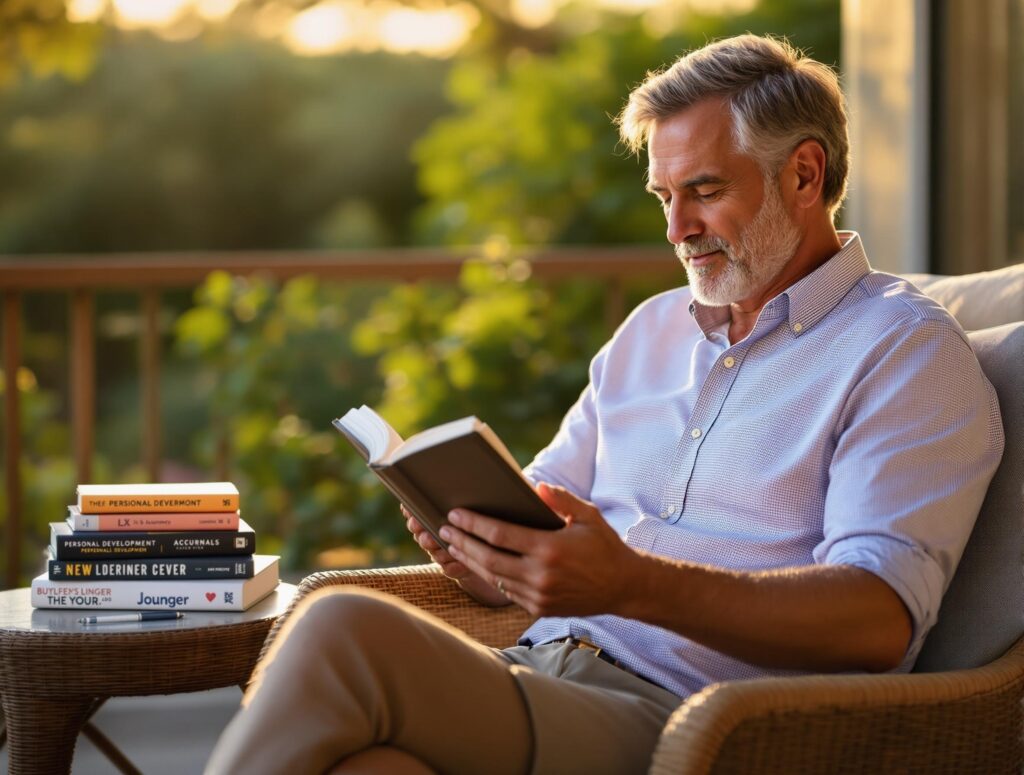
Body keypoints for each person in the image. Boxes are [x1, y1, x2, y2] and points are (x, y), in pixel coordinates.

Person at [206, 34, 1003, 775]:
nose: (677, 228)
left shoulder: (903, 353)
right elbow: (546, 525)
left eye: (704, 190)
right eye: (664, 196)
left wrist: (632, 584)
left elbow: (878, 617)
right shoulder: (651, 331)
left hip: (696, 722)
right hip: (538, 672)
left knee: (340, 622)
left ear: (803, 175)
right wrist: (483, 553)